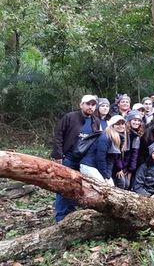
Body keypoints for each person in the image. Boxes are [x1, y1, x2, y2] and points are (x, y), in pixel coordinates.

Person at [51, 94, 100, 222]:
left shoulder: (95, 121)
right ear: (81, 105)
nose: (90, 107)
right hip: (68, 158)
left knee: (78, 188)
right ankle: (61, 217)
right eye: (88, 104)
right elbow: (58, 135)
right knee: (63, 186)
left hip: (85, 162)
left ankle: (72, 213)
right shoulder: (70, 117)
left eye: (93, 104)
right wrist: (58, 155)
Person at [80, 115, 126, 187]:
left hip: (98, 168)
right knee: (105, 188)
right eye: (118, 124)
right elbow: (100, 158)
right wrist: (105, 176)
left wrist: (108, 176)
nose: (121, 126)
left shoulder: (117, 138)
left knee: (110, 187)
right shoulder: (105, 137)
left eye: (123, 124)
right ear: (112, 125)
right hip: (89, 166)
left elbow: (110, 160)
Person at [113, 111, 143, 189]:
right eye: (134, 120)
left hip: (126, 166)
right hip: (117, 165)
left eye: (139, 120)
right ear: (129, 121)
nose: (137, 122)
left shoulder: (136, 136)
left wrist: (131, 169)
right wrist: (119, 168)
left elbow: (134, 153)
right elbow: (117, 153)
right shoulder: (123, 133)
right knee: (122, 184)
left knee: (127, 184)